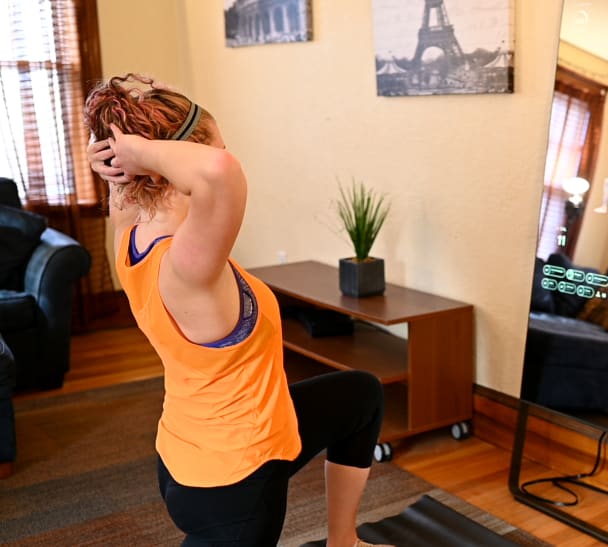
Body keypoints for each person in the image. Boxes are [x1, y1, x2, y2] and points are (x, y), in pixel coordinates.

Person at [84, 73, 390, 547]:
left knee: (361, 395)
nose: (227, 156)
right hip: (236, 488)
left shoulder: (130, 233)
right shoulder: (187, 269)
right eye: (218, 147)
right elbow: (220, 174)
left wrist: (111, 157)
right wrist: (141, 153)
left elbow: (149, 179)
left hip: (199, 449)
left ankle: (343, 542)